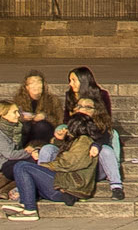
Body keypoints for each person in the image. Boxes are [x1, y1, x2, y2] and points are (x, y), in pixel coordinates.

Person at [35, 67, 124, 198]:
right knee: (48, 149)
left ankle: (116, 186)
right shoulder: (73, 119)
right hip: (71, 165)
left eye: (74, 80)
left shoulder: (99, 118)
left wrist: (96, 145)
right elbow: (65, 146)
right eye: (79, 106)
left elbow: (105, 130)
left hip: (91, 167)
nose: (70, 84)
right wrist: (60, 136)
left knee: (107, 148)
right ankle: (39, 181)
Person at [0, 111, 102, 218]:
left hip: (70, 188)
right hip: (65, 184)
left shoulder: (84, 141)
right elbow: (61, 154)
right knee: (23, 167)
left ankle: (29, 209)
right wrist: (59, 140)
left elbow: (68, 163)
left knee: (22, 166)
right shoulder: (76, 141)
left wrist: (44, 166)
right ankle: (25, 203)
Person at [12, 75, 62, 152]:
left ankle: (39, 149)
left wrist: (45, 117)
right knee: (24, 126)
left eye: (38, 82)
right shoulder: (19, 100)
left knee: (41, 126)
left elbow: (59, 120)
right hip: (27, 134)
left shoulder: (52, 100)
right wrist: (22, 118)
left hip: (44, 133)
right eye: (32, 83)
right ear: (26, 86)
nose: (36, 86)